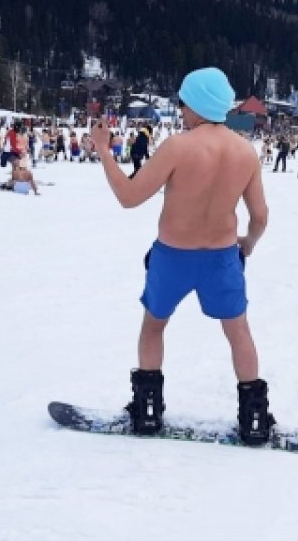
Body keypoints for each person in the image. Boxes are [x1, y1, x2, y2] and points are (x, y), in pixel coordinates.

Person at [88, 67, 274, 445]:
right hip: (222, 256)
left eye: (185, 103)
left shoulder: (178, 146)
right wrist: (248, 244)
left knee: (154, 325)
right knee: (238, 332)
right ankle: (254, 416)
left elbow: (129, 197)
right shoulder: (245, 152)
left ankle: (147, 410)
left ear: (197, 104)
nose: (182, 111)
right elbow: (260, 215)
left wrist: (104, 151)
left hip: (173, 254)